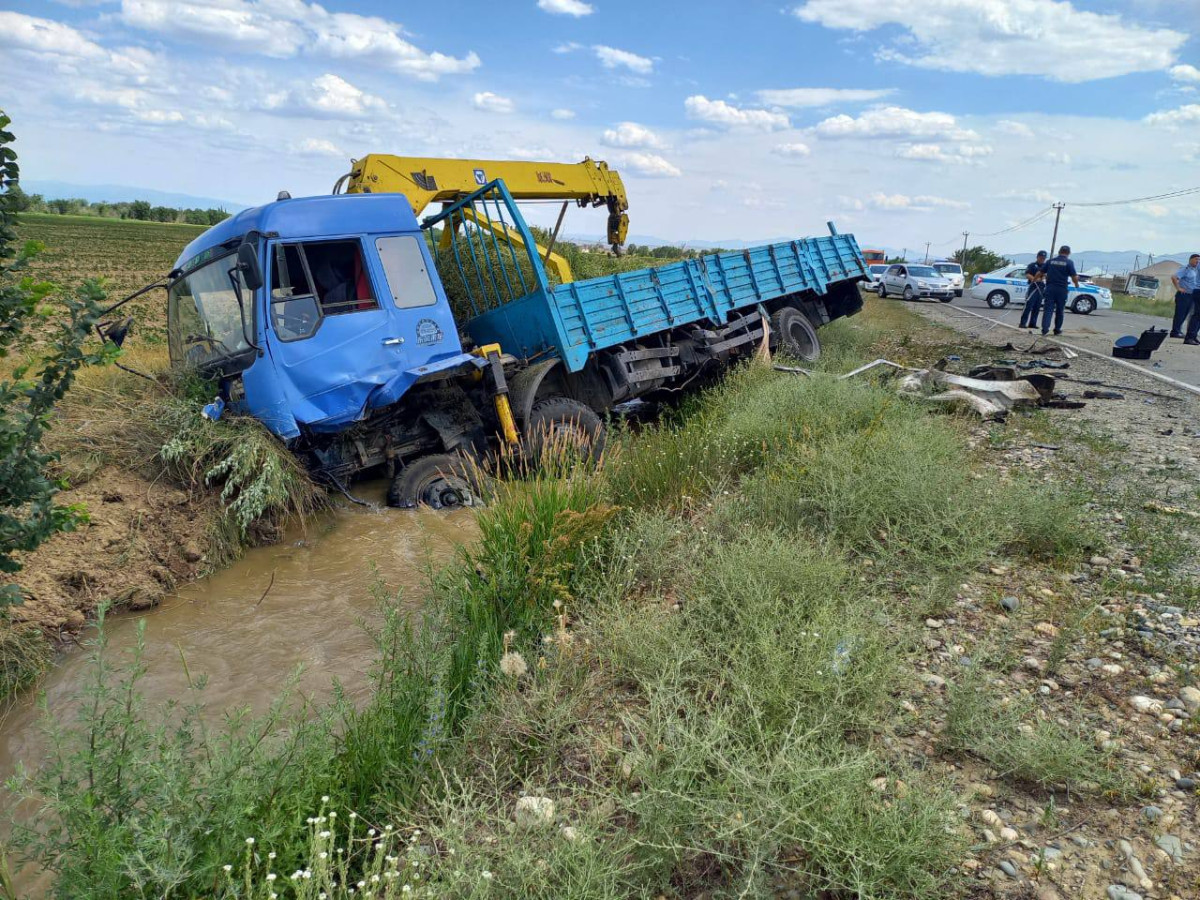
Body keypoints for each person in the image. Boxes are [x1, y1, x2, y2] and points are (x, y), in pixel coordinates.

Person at [1041, 245, 1079, 336]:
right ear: (1068, 253)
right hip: (1061, 289)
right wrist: (1077, 284)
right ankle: (1057, 330)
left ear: (1059, 251)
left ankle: (1045, 329)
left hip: (1050, 288)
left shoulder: (1050, 261)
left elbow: (1040, 272)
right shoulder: (1069, 262)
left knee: (1048, 310)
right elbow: (1074, 277)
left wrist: (1034, 280)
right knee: (1060, 310)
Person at [1170, 254, 1199, 339]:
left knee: (1187, 314)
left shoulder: (1196, 270)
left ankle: (1180, 331)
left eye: (1199, 260)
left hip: (1192, 295)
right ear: (1191, 259)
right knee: (1180, 314)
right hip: (1184, 295)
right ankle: (1175, 332)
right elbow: (1174, 277)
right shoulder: (1185, 269)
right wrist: (1178, 288)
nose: (1197, 261)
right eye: (1196, 259)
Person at [1019, 251, 1047, 329]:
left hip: (1041, 288)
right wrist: (1035, 279)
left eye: (1044, 258)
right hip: (1033, 287)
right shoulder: (1032, 265)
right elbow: (1027, 274)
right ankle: (1023, 323)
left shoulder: (1045, 266)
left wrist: (1044, 277)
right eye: (1041, 258)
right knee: (1029, 306)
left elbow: (1046, 275)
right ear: (1037, 257)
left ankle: (1032, 323)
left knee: (1037, 307)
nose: (1042, 259)